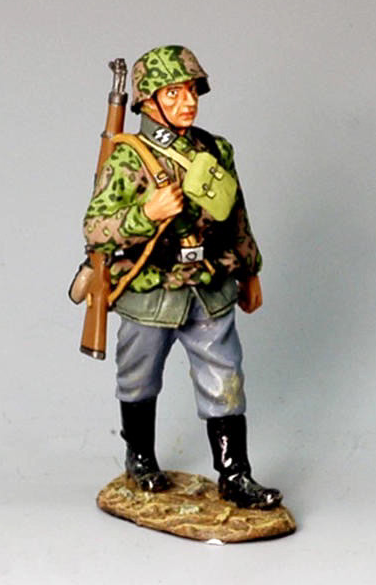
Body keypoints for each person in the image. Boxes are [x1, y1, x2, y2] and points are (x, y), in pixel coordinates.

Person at [83, 45, 281, 509]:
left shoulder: (215, 149)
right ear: (148, 102)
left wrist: (250, 269)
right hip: (151, 289)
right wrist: (147, 214)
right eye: (173, 93)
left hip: (208, 284)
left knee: (225, 380)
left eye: (191, 90)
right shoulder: (128, 157)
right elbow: (96, 228)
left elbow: (237, 216)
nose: (187, 101)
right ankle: (140, 459)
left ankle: (235, 474)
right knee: (138, 378)